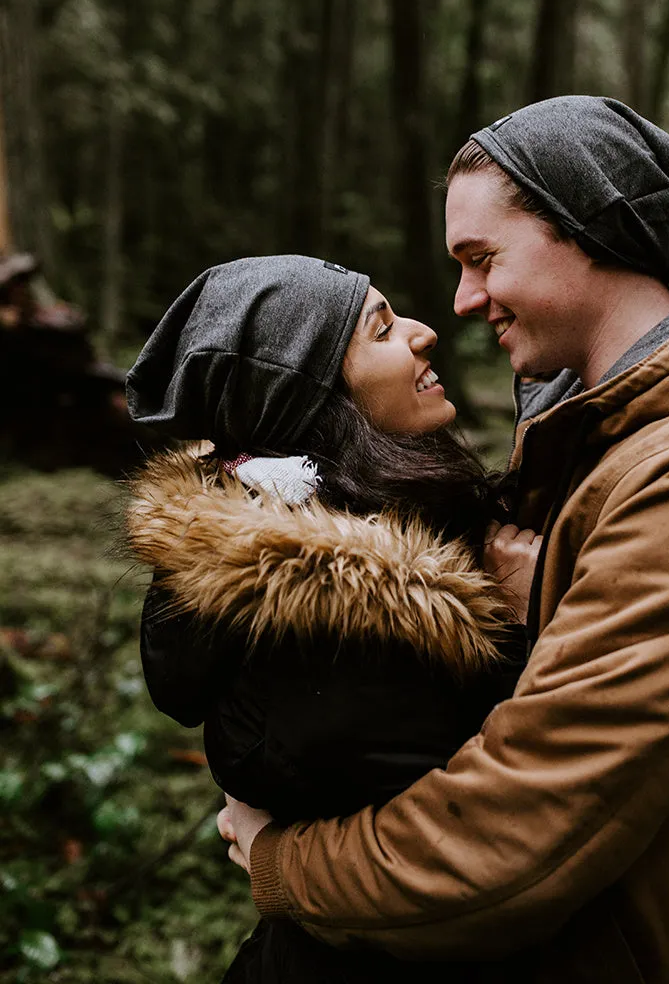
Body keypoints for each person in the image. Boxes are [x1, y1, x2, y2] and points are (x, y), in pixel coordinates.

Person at [220, 97, 669, 984]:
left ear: (587, 230)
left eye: (482, 259)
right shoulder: (599, 434)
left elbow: (519, 840)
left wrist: (283, 862)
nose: (462, 300)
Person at [125, 254, 535, 983]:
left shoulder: (384, 550)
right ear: (315, 403)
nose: (423, 332)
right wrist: (532, 629)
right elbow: (503, 825)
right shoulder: (347, 631)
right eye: (380, 331)